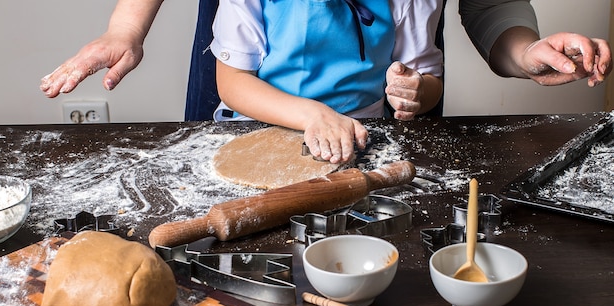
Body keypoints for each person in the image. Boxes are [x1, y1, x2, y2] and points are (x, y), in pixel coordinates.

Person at [40, 0, 611, 164]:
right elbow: (233, 81)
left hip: (369, 130)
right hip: (257, 116)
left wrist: (525, 50)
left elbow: (426, 75)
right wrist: (125, 27)